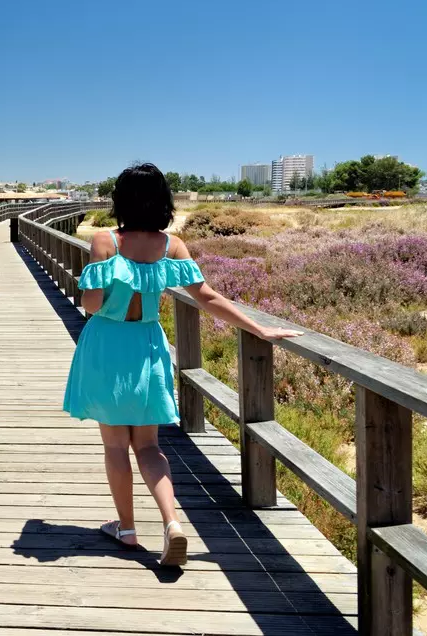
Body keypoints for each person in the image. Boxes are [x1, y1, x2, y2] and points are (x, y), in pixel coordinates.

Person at [62, 163, 301, 566]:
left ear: (120, 200)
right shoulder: (172, 246)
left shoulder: (106, 241)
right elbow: (206, 296)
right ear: (163, 201)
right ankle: (172, 523)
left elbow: (90, 305)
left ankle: (127, 528)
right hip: (147, 344)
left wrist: (100, 284)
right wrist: (257, 327)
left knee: (116, 446)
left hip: (108, 345)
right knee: (150, 445)